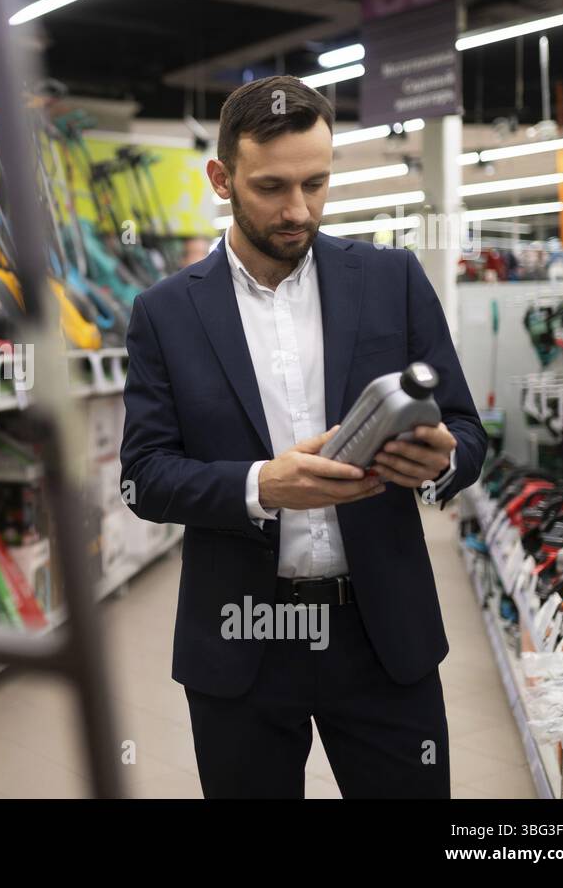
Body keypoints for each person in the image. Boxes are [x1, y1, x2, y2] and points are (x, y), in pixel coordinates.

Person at [120, 75, 486, 798]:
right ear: (221, 178)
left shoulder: (391, 280)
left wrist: (439, 465)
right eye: (271, 187)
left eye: (316, 184)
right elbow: (144, 476)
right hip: (242, 634)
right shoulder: (165, 312)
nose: (298, 210)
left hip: (382, 632)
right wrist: (261, 486)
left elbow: (467, 432)